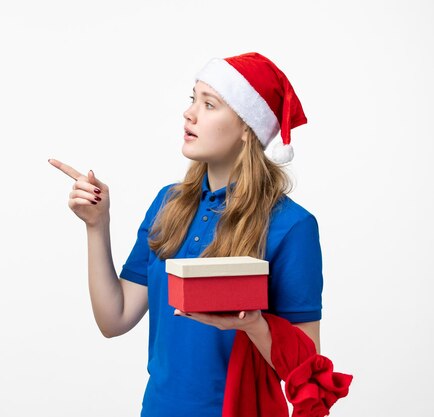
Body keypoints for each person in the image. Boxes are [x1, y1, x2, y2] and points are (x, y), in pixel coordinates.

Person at [49, 52, 334, 417]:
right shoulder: (169, 204)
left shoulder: (291, 225)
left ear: (248, 128)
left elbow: (306, 374)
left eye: (210, 104)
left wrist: (253, 325)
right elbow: (114, 318)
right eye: (193, 99)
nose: (190, 113)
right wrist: (96, 225)